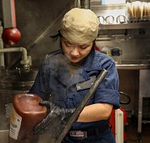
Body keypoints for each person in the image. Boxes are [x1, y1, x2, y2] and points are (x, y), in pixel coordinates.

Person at [29, 8, 120, 143]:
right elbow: (36, 100)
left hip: (96, 139)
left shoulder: (105, 65)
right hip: (61, 138)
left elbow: (104, 110)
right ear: (61, 38)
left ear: (93, 42)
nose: (74, 53)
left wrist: (64, 114)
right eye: (68, 44)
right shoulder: (49, 64)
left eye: (83, 47)